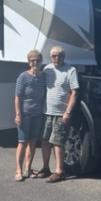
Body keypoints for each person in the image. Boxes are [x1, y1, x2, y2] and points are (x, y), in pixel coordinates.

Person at [34, 46, 79, 183]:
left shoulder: (70, 70)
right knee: (45, 141)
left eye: (59, 55)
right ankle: (46, 168)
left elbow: (74, 93)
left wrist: (68, 112)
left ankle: (59, 171)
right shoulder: (47, 69)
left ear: (64, 56)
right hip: (46, 112)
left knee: (58, 143)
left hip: (61, 114)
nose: (56, 58)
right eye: (53, 56)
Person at [14, 50, 45, 181]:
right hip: (25, 114)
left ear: (41, 62)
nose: (35, 63)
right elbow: (17, 97)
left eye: (37, 60)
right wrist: (18, 114)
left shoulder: (43, 76)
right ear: (28, 62)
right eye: (32, 60)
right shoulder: (23, 77)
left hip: (37, 115)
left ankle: (28, 168)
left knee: (32, 142)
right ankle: (18, 170)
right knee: (22, 142)